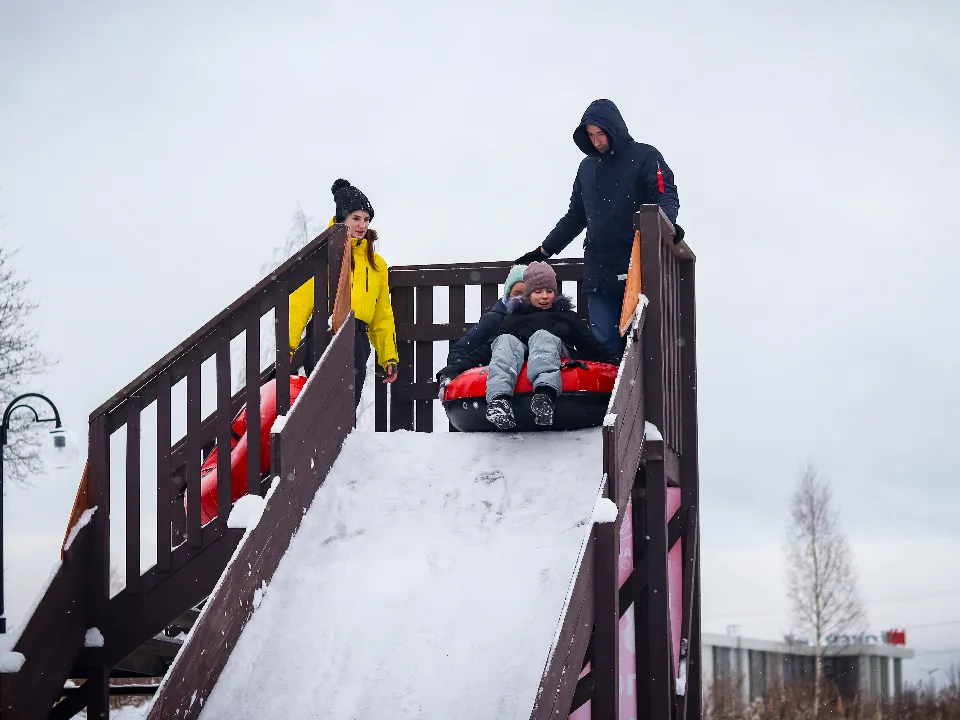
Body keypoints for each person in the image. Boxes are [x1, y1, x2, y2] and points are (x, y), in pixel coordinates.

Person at [515, 99, 682, 358]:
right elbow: (575, 217)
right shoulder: (587, 168)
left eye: (600, 134)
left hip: (637, 266)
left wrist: (668, 225)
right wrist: (544, 251)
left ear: (614, 129)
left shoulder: (646, 157)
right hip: (598, 272)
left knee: (639, 342)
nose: (596, 141)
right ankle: (611, 399)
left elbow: (665, 195)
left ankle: (633, 395)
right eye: (591, 136)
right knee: (605, 346)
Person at [436, 262, 617, 430]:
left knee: (542, 336)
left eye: (549, 290)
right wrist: (456, 368)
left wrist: (615, 366)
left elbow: (590, 346)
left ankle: (544, 397)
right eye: (538, 291)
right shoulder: (514, 319)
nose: (545, 296)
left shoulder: (567, 317)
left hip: (559, 360)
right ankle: (499, 402)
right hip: (521, 361)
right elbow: (490, 348)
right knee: (506, 340)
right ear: (528, 294)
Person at [288, 179, 398, 406]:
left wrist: (388, 356)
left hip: (357, 337)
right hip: (324, 333)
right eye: (356, 218)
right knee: (321, 404)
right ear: (342, 219)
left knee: (348, 405)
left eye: (366, 219)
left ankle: (344, 443)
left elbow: (382, 314)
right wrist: (287, 346)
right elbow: (300, 302)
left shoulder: (377, 265)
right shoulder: (325, 255)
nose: (362, 225)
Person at [445, 264, 526, 367]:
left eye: (526, 293)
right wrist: (457, 368)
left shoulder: (538, 319)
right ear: (507, 294)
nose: (521, 299)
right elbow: (463, 348)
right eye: (517, 293)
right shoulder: (494, 320)